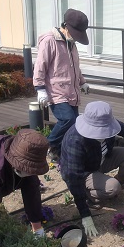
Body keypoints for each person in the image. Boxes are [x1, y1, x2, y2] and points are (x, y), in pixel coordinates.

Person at [60, 101, 124, 238]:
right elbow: (72, 177)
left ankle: (123, 180)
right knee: (113, 187)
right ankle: (91, 196)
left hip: (100, 159)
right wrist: (85, 214)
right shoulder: (75, 140)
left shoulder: (107, 121)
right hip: (83, 172)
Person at [33, 8, 91, 161]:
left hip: (72, 91)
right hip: (55, 91)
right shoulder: (49, 41)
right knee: (68, 120)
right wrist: (40, 89)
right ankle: (48, 145)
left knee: (74, 126)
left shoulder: (71, 43)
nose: (77, 38)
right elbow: (40, 66)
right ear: (66, 27)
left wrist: (82, 81)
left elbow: (74, 66)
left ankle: (59, 153)